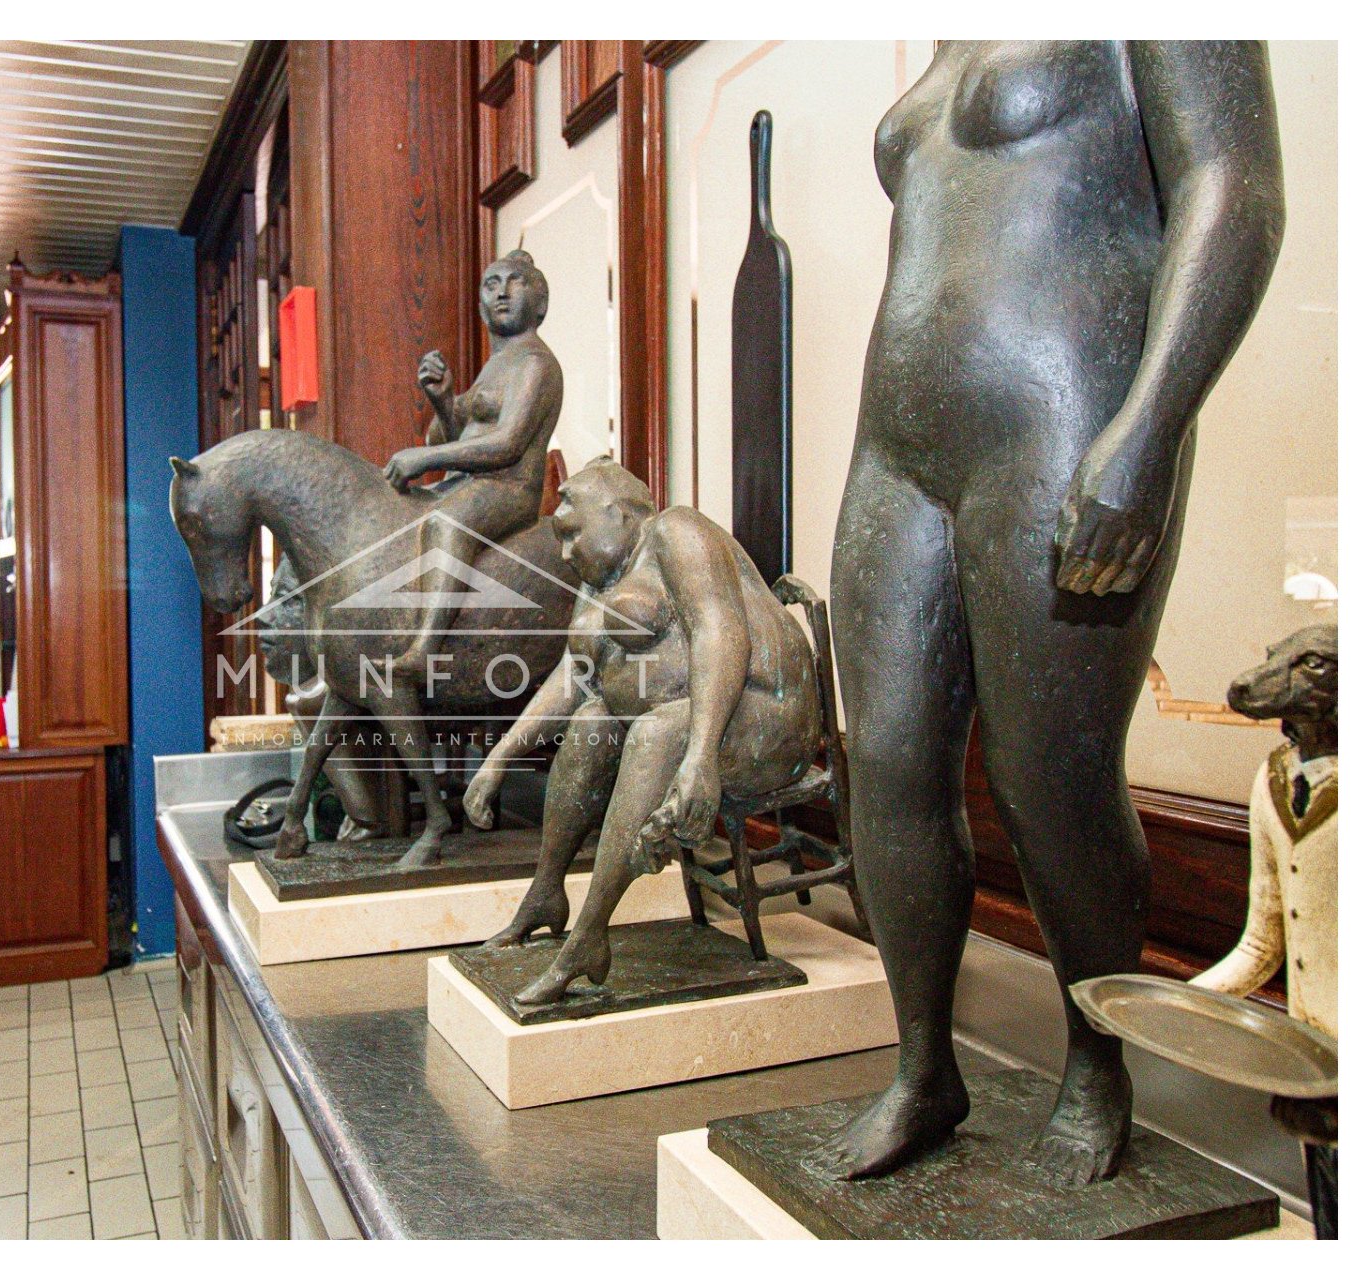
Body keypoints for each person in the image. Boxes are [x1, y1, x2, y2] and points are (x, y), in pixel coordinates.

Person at [820, 41, 1284, 1187]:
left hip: (1065, 403)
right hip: (899, 436)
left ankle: (1096, 1061)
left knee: (1049, 775)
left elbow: (1234, 183)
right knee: (887, 759)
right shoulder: (948, 39)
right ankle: (924, 1066)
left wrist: (1152, 424)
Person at [461, 458, 820, 1005]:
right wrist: (499, 758)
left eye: (572, 535)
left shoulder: (677, 531)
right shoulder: (598, 580)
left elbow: (720, 634)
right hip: (695, 722)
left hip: (768, 721)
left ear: (618, 513)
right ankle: (546, 892)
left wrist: (700, 756)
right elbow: (574, 676)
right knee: (592, 721)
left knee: (658, 731)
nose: (565, 553)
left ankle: (588, 938)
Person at [383, 249, 563, 670]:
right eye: (492, 284)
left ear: (540, 303)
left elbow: (506, 445)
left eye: (515, 282)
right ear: (481, 306)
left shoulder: (535, 364)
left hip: (509, 488)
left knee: (447, 524)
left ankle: (425, 648)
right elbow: (454, 434)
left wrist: (426, 458)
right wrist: (443, 400)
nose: (502, 292)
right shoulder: (499, 363)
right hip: (469, 481)